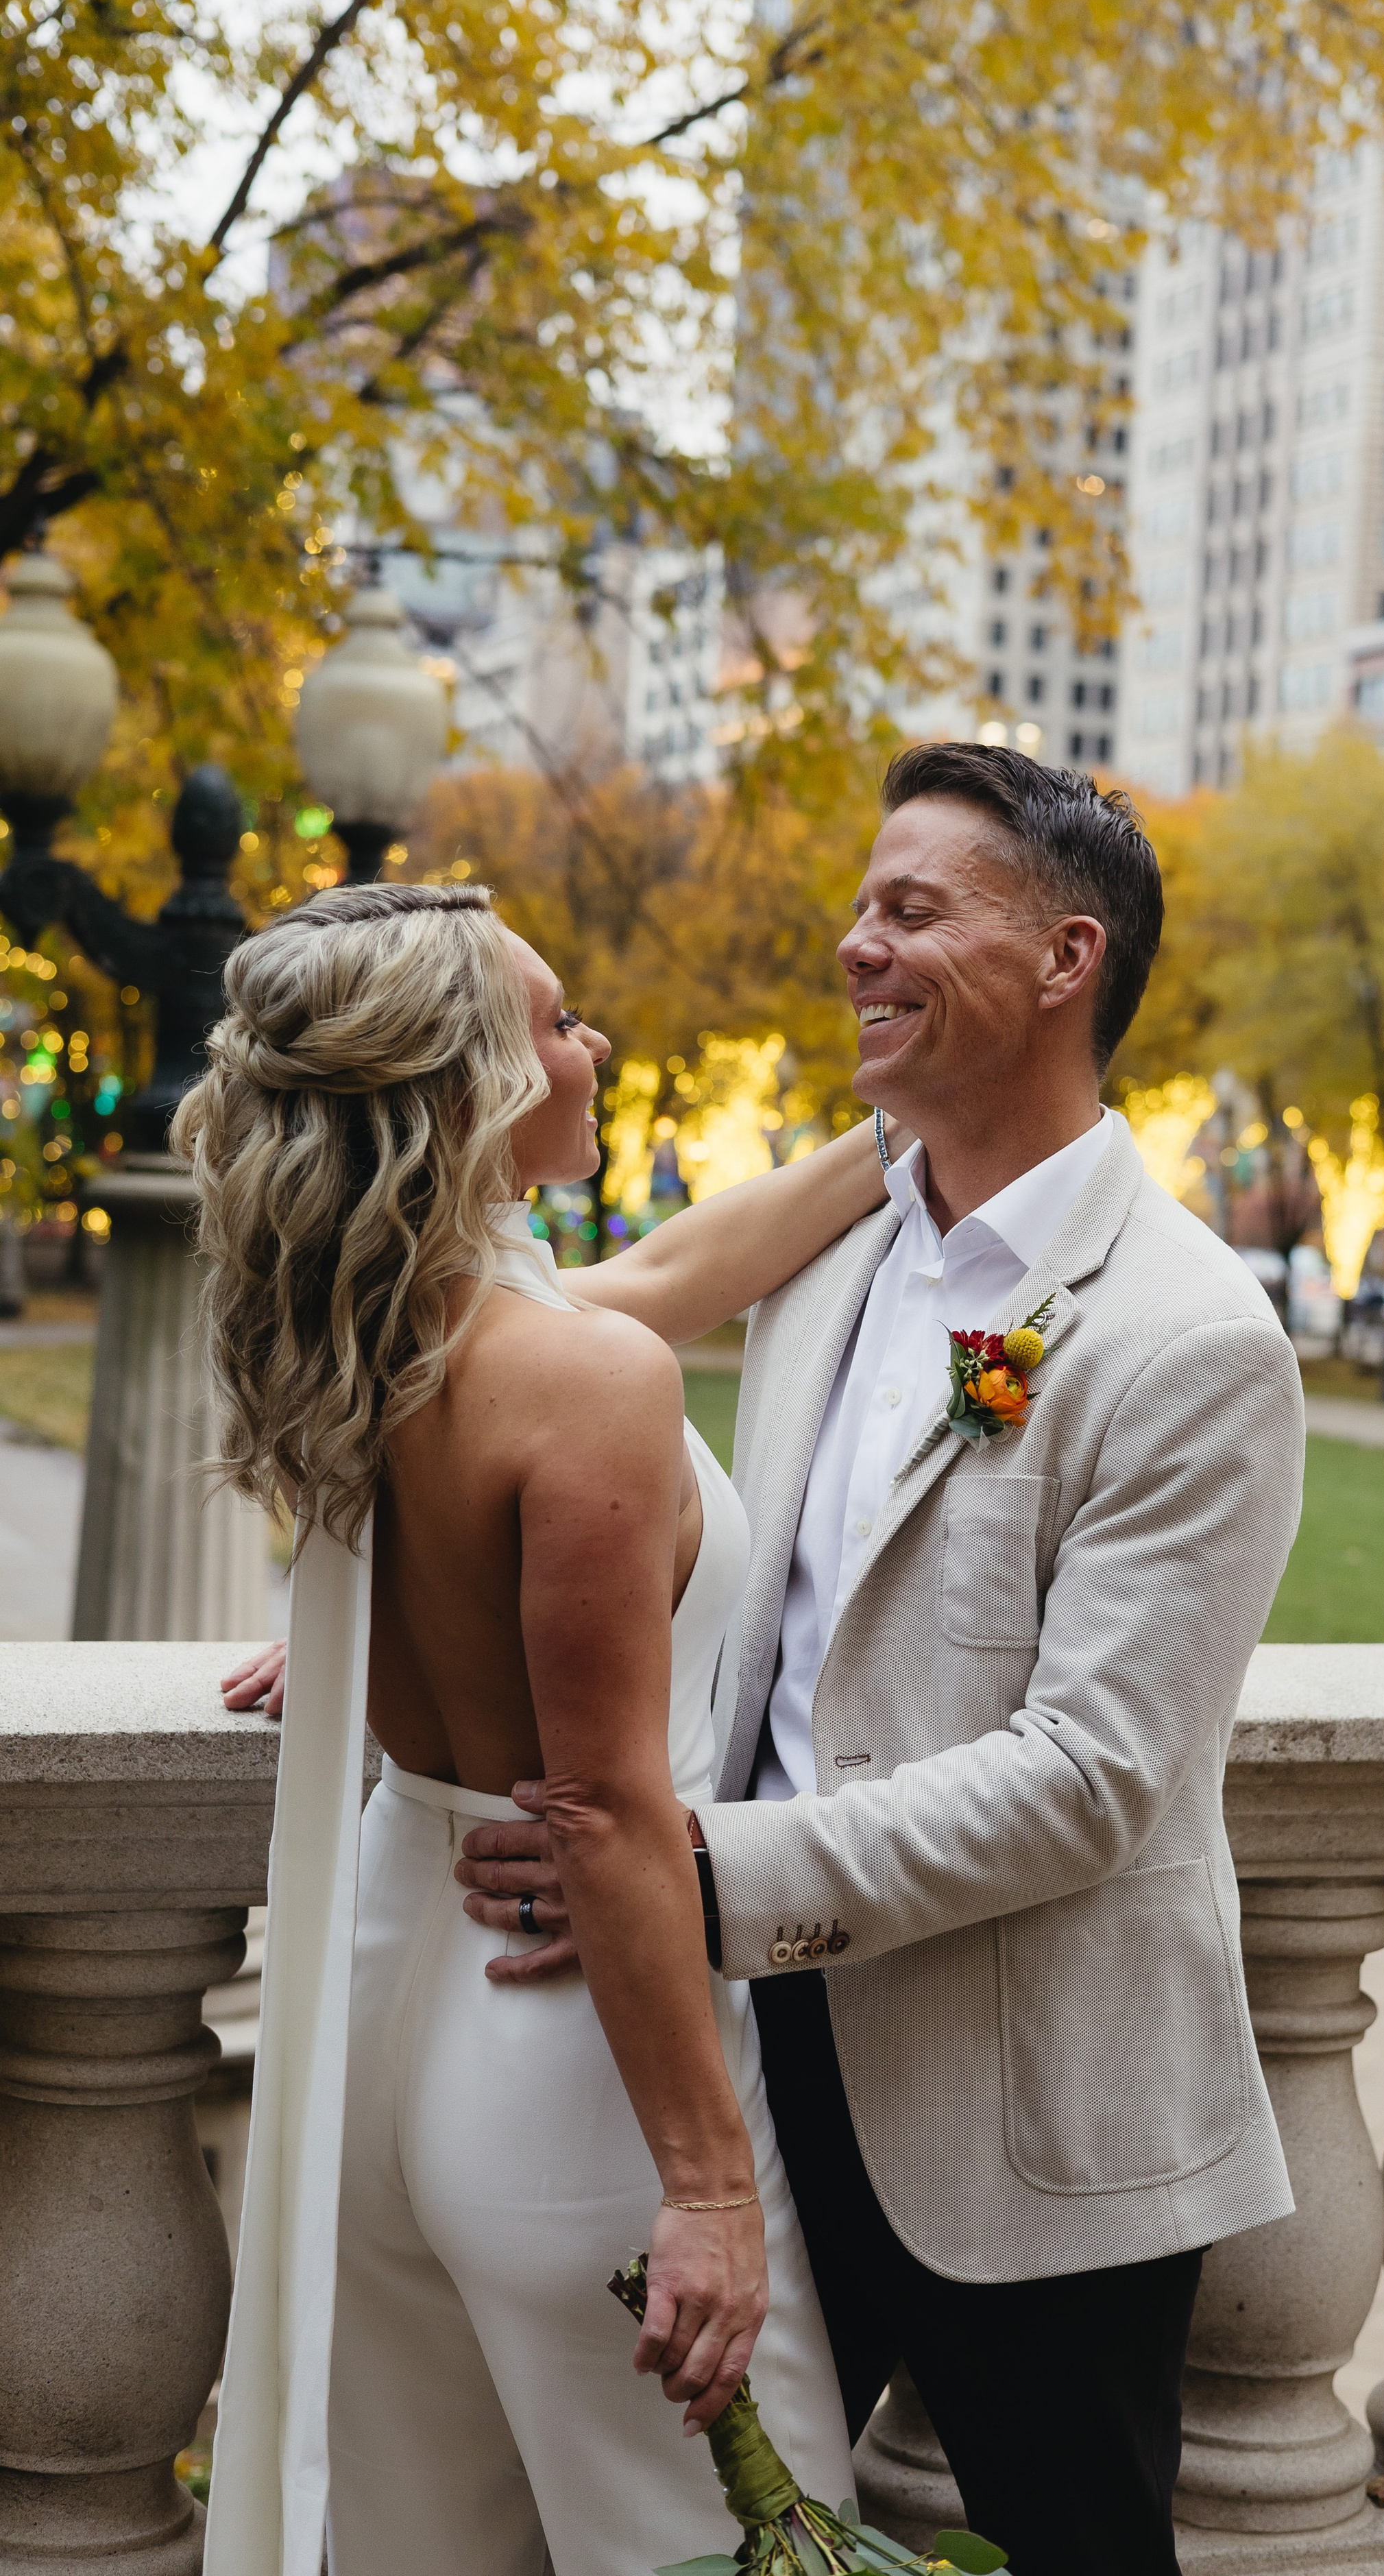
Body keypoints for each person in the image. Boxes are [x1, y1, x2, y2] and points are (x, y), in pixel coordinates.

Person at [457, 745, 1306, 2575]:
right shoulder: (834, 1245)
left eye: (913, 908)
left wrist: (689, 1875)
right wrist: (378, 1609)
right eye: (863, 906)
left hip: (1036, 2116)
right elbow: (547, 1390)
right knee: (723, 2537)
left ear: (1069, 957)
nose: (857, 946)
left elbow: (1092, 1776)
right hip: (751, 2070)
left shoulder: (1189, 1335)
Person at [183, 881, 895, 2576]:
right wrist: (711, 2189)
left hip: (374, 2021)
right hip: (568, 2063)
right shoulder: (583, 1380)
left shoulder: (374, 1336)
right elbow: (608, 1812)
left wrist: (909, 1132)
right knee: (734, 2553)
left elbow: (672, 1267)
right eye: (558, 1022)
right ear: (464, 1091)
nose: (591, 1044)